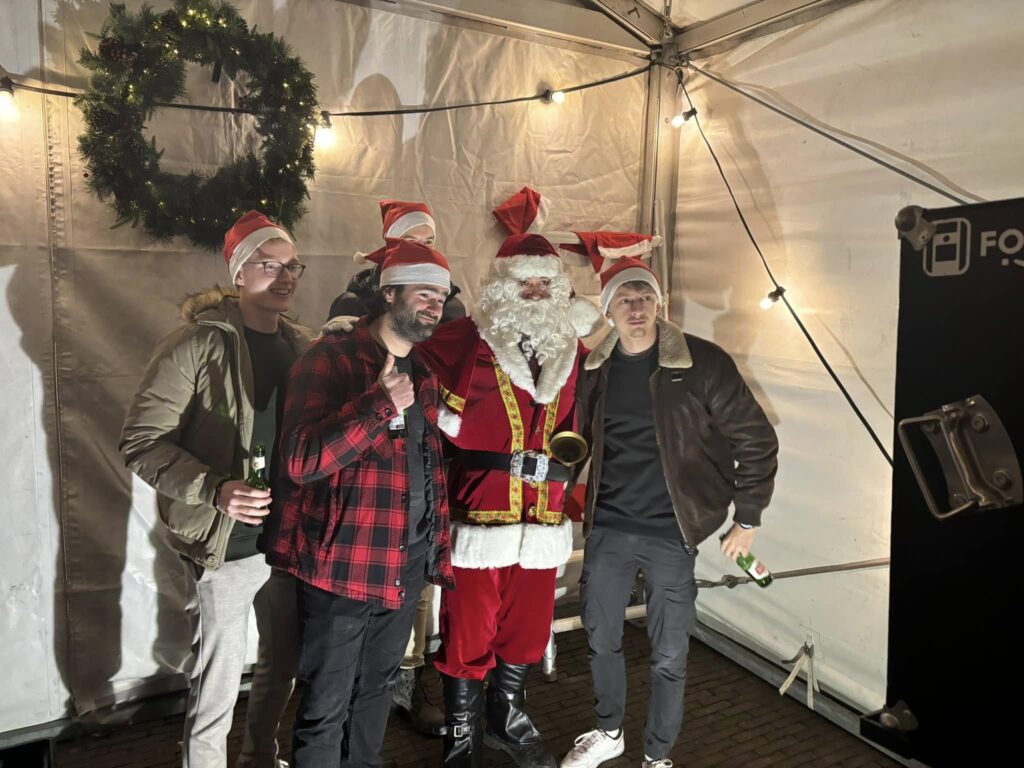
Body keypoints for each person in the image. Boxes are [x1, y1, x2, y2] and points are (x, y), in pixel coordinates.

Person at [559, 257, 779, 768]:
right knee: (600, 638)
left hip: (670, 533)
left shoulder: (703, 363)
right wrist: (545, 496)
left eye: (645, 297)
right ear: (608, 311)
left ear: (660, 305)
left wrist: (747, 518)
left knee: (668, 653)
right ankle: (609, 731)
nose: (635, 308)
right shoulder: (595, 370)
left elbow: (757, 440)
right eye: (624, 299)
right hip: (608, 529)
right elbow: (577, 441)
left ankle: (657, 756)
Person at [119, 210, 313, 768]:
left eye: (292, 266)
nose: (284, 276)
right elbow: (141, 441)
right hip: (227, 546)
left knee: (283, 662)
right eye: (268, 264)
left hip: (287, 540)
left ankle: (259, 757)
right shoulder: (195, 345)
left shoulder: (304, 347)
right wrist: (215, 489)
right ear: (238, 273)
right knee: (219, 683)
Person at [265, 239, 456, 767]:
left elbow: (424, 468)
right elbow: (301, 460)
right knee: (326, 707)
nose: (434, 305)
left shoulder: (424, 373)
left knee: (376, 692)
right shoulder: (329, 360)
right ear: (389, 293)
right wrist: (378, 404)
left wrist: (433, 545)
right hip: (342, 567)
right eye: (423, 292)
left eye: (440, 296)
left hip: (405, 562)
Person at [415, 233, 592, 768]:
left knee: (529, 626)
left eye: (544, 282)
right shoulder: (465, 338)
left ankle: (506, 714)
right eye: (524, 281)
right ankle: (461, 734)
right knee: (468, 629)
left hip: (544, 515)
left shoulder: (572, 346)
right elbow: (403, 353)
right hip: (480, 510)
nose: (535, 291)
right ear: (501, 286)